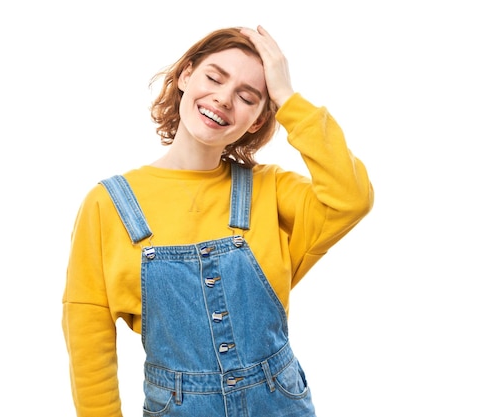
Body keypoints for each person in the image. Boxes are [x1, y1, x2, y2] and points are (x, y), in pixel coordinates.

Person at [62, 25, 373, 417]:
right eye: (214, 77)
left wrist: (288, 99)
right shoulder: (109, 204)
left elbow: (352, 197)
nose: (224, 99)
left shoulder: (271, 191)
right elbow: (89, 337)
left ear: (258, 120)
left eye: (248, 97)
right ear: (185, 75)